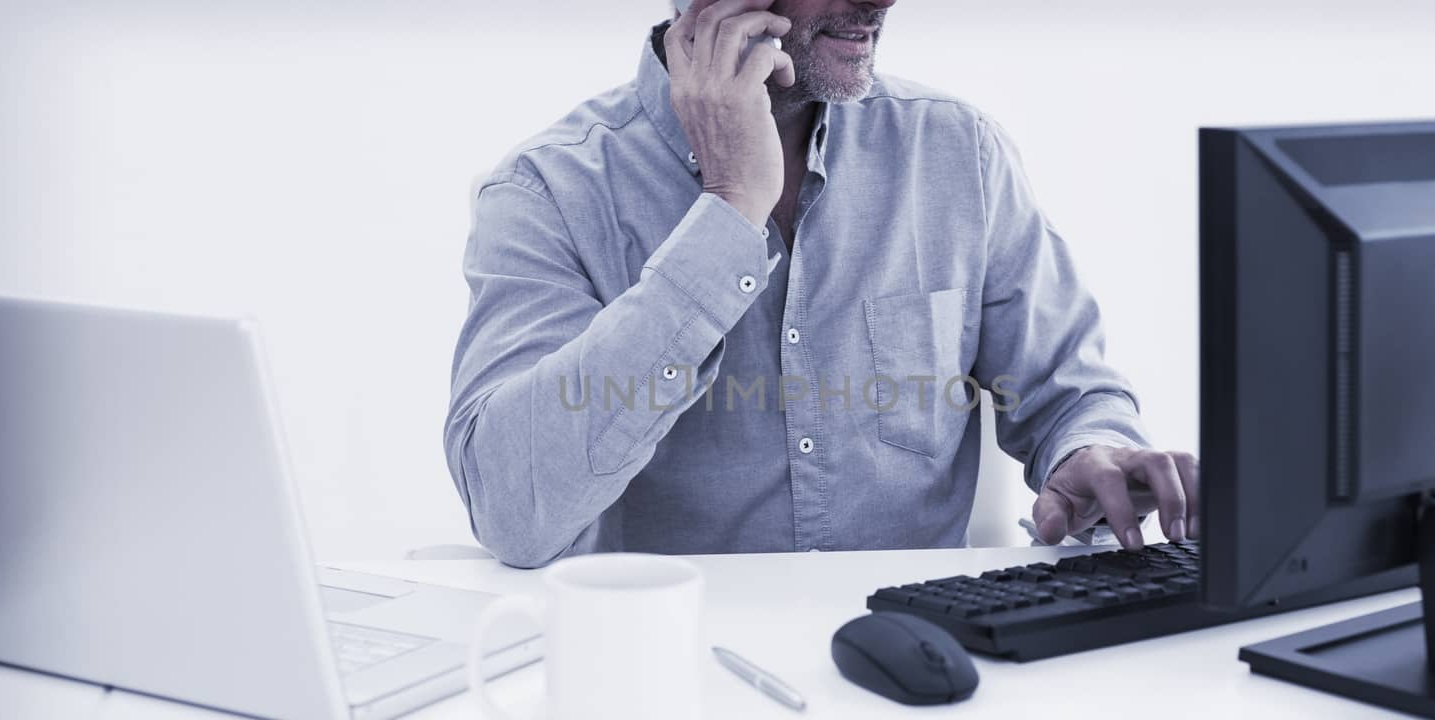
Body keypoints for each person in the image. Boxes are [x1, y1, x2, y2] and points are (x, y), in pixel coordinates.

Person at [444, 0, 1199, 568]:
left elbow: (1068, 390)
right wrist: (729, 210)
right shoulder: (549, 191)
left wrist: (1090, 450)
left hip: (920, 675)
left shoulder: (955, 151)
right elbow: (514, 511)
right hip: (675, 681)